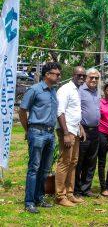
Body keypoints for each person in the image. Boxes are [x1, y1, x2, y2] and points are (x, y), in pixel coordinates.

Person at [19, 62, 62, 214]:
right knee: (34, 168)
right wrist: (28, 129)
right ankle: (29, 201)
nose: (58, 76)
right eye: (56, 74)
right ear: (47, 74)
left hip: (50, 134)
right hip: (37, 132)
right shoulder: (35, 90)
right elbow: (22, 110)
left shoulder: (53, 91)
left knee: (45, 169)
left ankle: (39, 197)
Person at [55, 66, 86, 207]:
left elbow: (73, 112)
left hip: (75, 130)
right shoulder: (65, 89)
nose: (81, 77)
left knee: (73, 162)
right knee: (64, 162)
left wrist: (80, 127)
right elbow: (60, 112)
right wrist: (66, 133)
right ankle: (60, 196)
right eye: (79, 75)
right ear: (73, 75)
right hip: (66, 131)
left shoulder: (77, 90)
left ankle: (69, 193)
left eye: (83, 75)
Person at [74, 68, 101, 198]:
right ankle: (77, 189)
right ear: (86, 78)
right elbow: (75, 110)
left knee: (91, 161)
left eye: (96, 78)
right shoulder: (80, 91)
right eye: (91, 77)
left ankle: (86, 188)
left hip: (96, 130)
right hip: (83, 130)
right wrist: (79, 127)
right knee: (80, 160)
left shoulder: (98, 92)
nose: (94, 80)